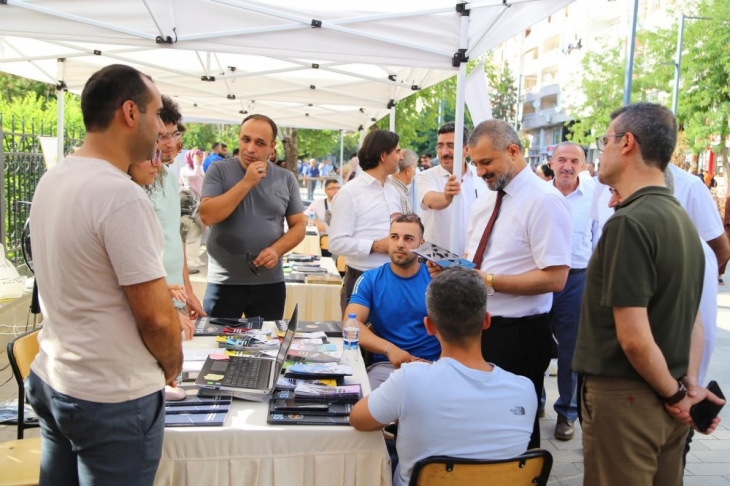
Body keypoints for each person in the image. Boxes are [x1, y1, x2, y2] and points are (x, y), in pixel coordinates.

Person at [26, 64, 182, 486]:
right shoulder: (120, 195)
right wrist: (172, 363)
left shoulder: (54, 178)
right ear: (130, 113)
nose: (159, 128)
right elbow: (154, 317)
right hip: (111, 395)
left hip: (58, 378)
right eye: (154, 114)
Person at [573, 102, 723, 486]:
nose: (601, 150)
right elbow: (695, 322)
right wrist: (688, 386)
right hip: (667, 395)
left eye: (605, 140)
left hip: (629, 399)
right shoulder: (683, 223)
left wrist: (676, 395)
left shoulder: (630, 223)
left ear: (627, 143)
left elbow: (634, 338)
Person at [430, 119, 571, 450]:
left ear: (513, 151)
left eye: (486, 162)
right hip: (480, 327)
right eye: (475, 163)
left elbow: (556, 278)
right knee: (477, 423)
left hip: (519, 334)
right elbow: (477, 258)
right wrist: (452, 269)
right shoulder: (486, 199)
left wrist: (488, 281)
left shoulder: (543, 201)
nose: (478, 171)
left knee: (516, 428)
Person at [350, 267, 536, 486]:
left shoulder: (410, 380)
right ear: (486, 321)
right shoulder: (525, 390)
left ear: (429, 326)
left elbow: (357, 419)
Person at [199, 114, 305, 320]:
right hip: (224, 282)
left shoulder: (285, 178)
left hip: (270, 284)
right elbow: (208, 216)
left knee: (267, 346)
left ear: (272, 146)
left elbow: (299, 225)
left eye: (260, 143)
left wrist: (276, 250)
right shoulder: (218, 170)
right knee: (216, 347)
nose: (250, 148)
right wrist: (246, 183)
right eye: (245, 140)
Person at [345, 214, 440, 389]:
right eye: (394, 237)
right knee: (361, 405)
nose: (400, 244)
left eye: (408, 238)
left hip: (433, 366)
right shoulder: (370, 279)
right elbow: (351, 324)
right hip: (388, 367)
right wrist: (390, 349)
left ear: (421, 244)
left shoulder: (437, 279)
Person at [546, 142, 597, 441]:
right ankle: (533, 403)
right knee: (535, 345)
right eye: (561, 160)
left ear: (583, 165)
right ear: (551, 163)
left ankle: (567, 413)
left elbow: (599, 239)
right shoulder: (539, 194)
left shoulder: (593, 198)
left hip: (577, 280)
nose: (567, 166)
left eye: (574, 160)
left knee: (572, 352)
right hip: (540, 279)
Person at [329, 129, 405, 316]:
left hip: (395, 278)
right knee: (358, 341)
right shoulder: (349, 193)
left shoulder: (394, 190)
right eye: (397, 151)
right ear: (383, 155)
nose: (401, 156)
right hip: (361, 280)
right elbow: (335, 243)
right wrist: (376, 246)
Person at [150, 96, 205, 332]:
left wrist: (188, 291)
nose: (170, 143)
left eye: (174, 135)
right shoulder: (131, 183)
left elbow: (177, 237)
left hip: (176, 299)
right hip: (153, 304)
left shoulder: (170, 177)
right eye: (162, 136)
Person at [417, 122, 486, 255]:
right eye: (440, 146)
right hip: (435, 259)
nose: (444, 152)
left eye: (451, 146)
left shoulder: (481, 176)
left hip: (471, 260)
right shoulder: (426, 176)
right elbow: (430, 200)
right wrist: (446, 197)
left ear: (467, 150)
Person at [389, 149, 418, 214]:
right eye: (415, 168)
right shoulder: (400, 195)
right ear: (408, 170)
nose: (415, 173)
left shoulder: (387, 185)